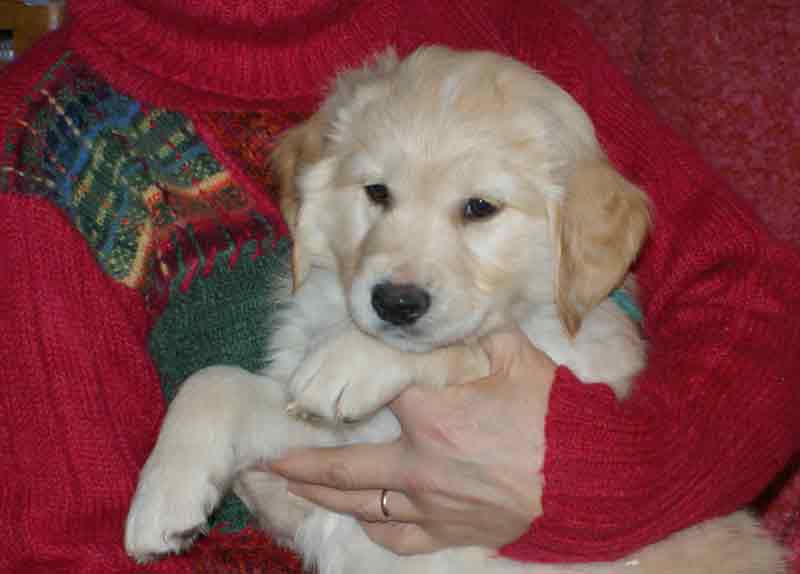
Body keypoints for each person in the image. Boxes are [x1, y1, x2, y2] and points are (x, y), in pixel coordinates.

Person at [1, 0, 798, 572]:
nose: (402, 282)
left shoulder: (503, 33)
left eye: (477, 210)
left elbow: (751, 298)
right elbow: (60, 546)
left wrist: (600, 479)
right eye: (377, 195)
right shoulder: (47, 139)